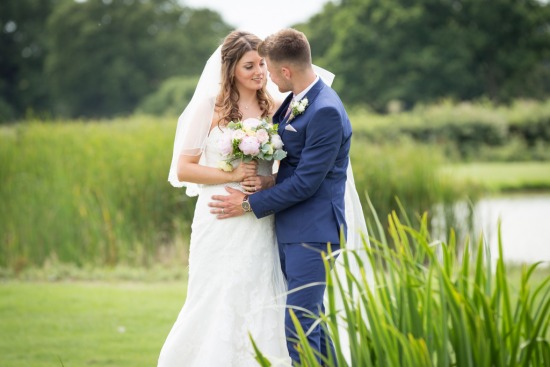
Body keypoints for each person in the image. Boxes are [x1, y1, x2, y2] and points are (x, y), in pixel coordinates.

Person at [209, 28, 360, 365]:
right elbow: (297, 166)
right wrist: (269, 181)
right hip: (296, 229)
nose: (267, 76)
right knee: (312, 324)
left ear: (286, 71)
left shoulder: (325, 110)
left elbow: (307, 182)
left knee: (299, 327)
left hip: (314, 233)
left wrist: (247, 203)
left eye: (270, 69)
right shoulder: (298, 99)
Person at [160, 30, 292, 367]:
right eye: (249, 66)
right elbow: (185, 168)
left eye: (262, 63)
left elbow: (289, 164)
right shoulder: (210, 106)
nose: (259, 72)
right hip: (218, 215)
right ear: (231, 68)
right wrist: (232, 175)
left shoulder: (274, 106)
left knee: (260, 291)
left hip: (259, 216)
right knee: (213, 294)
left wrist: (266, 181)